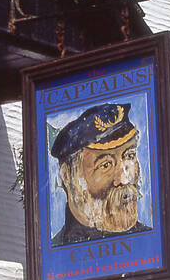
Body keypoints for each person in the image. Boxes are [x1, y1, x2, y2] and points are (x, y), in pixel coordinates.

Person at [49, 102, 151, 247]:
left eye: (129, 156)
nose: (124, 179)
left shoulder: (151, 243)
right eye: (105, 165)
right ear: (67, 176)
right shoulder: (57, 252)